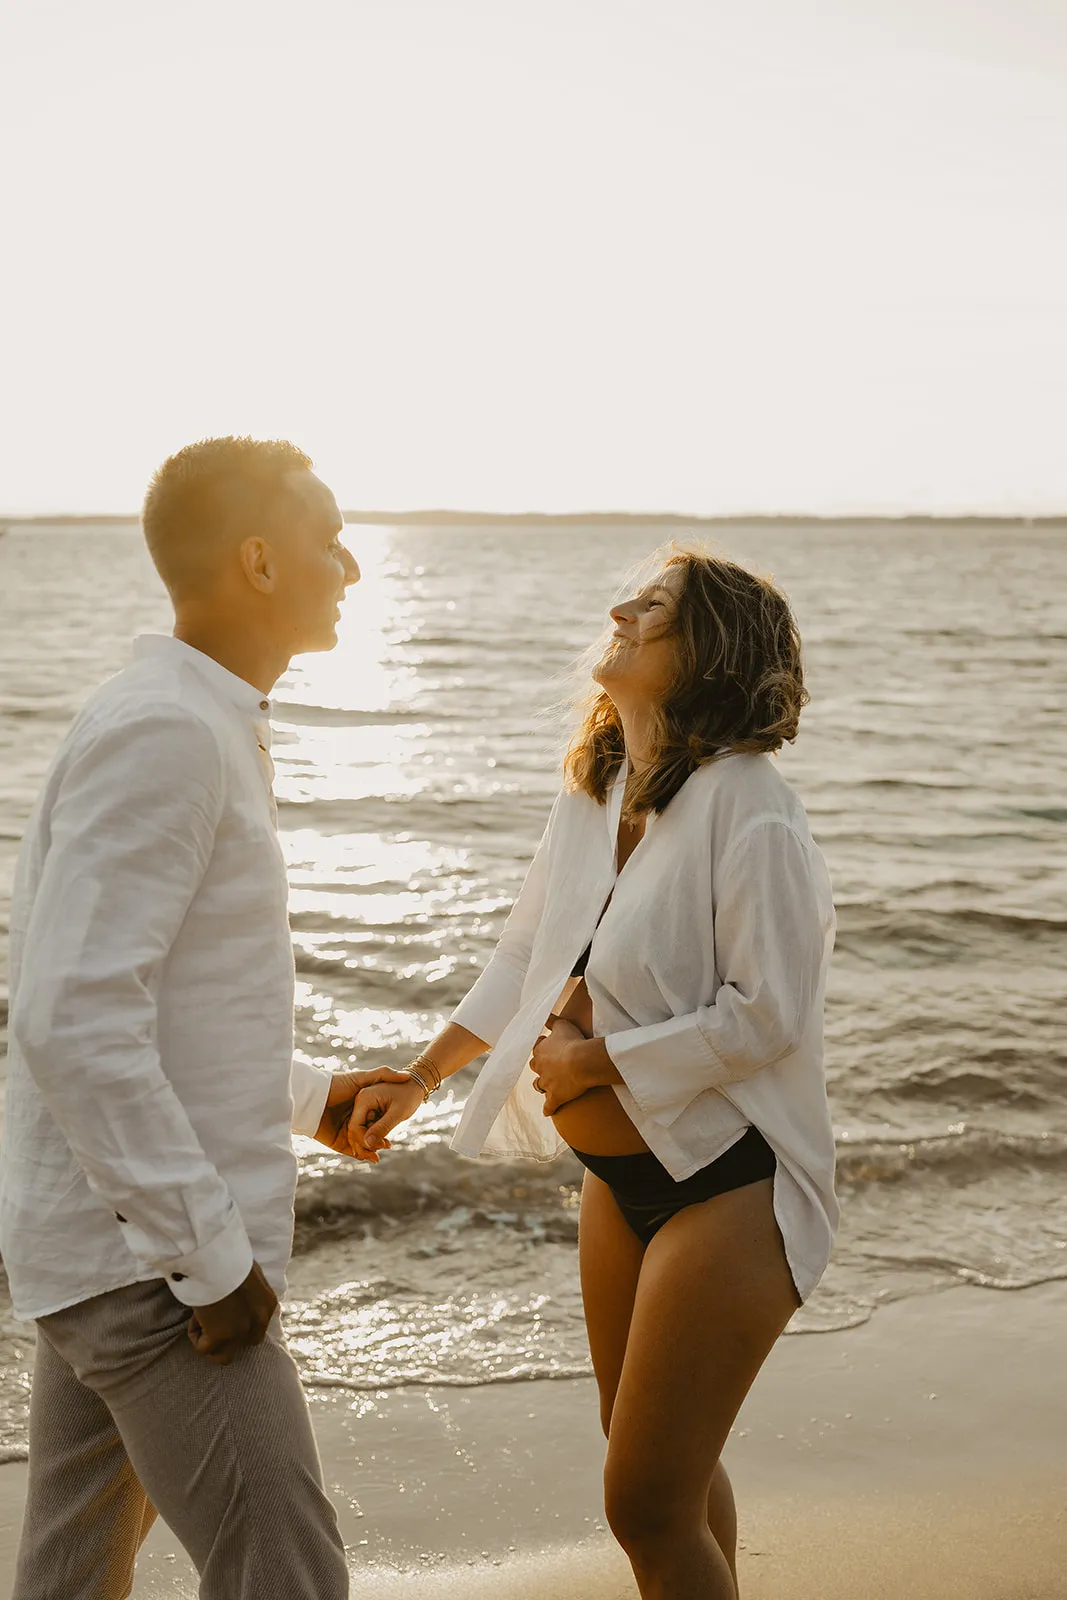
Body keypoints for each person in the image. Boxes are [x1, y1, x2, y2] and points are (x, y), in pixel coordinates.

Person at [347, 547, 838, 1600]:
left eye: (651, 607)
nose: (617, 610)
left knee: (643, 1499)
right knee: (661, 1467)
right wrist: (420, 1078)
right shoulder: (597, 783)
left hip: (731, 1179)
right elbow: (526, 953)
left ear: (703, 647)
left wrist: (594, 1057)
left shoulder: (749, 805)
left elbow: (769, 1016)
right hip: (619, 1181)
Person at [0, 437, 410, 1600]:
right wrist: (206, 1256)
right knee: (286, 1570)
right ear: (258, 561)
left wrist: (304, 1094)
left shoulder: (190, 717)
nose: (350, 564)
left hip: (105, 1242)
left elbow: (163, 1004)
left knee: (71, 1578)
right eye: (327, 536)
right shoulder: (168, 731)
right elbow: (69, 1021)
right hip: (150, 1267)